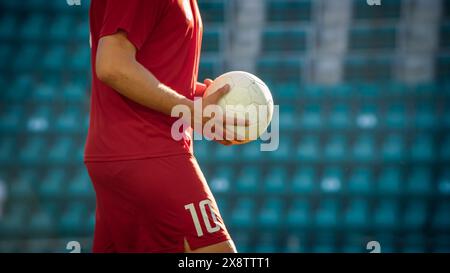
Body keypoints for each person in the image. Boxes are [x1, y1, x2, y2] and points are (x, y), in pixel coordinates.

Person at [84, 0, 244, 253]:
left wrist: (205, 105)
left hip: (129, 151)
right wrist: (191, 110)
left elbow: (155, 71)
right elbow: (112, 66)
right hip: (146, 149)